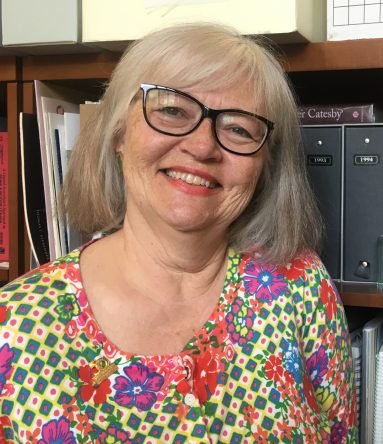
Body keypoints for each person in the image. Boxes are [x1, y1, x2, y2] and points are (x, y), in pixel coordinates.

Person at [0, 23, 357, 443]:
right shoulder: (14, 324)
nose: (203, 146)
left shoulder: (301, 287)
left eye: (239, 129)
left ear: (264, 168)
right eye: (172, 111)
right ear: (118, 131)